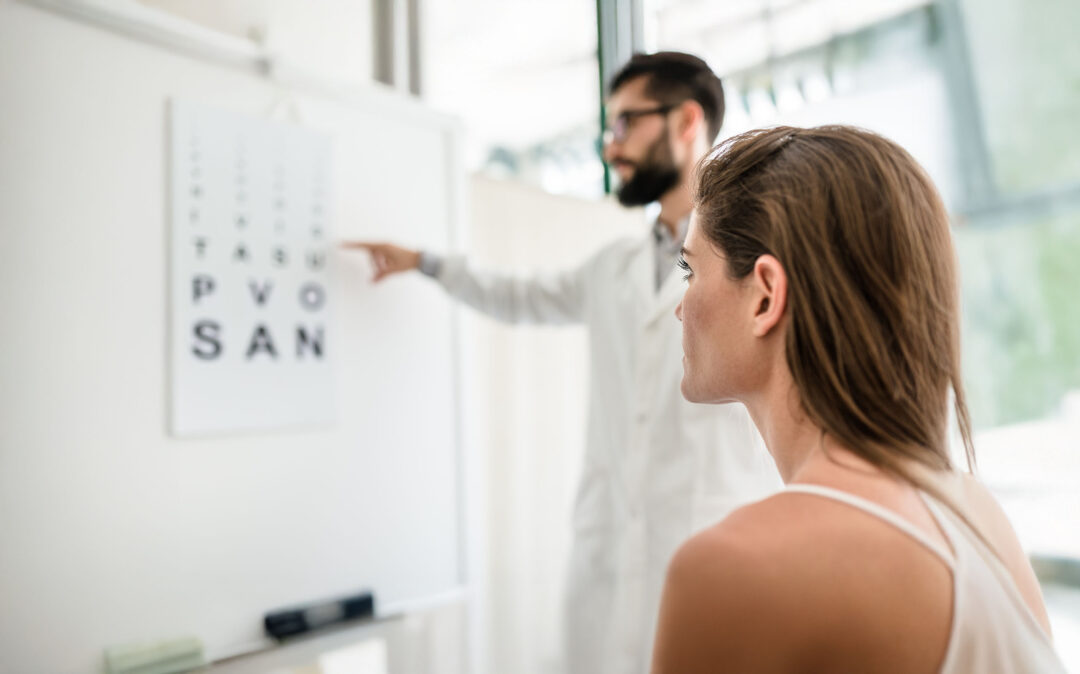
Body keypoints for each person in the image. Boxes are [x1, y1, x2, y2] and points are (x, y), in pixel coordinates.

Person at [342, 52, 779, 674]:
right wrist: (424, 262)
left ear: (686, 121)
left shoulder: (760, 258)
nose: (611, 147)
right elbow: (518, 294)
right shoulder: (611, 271)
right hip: (606, 557)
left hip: (715, 554)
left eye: (626, 124)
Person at [654, 124, 1066, 673]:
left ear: (765, 296)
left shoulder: (735, 569)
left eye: (690, 269)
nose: (679, 309)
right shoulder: (973, 512)